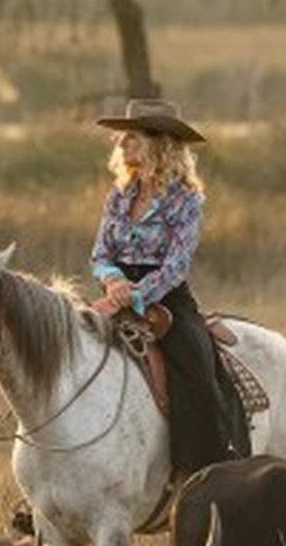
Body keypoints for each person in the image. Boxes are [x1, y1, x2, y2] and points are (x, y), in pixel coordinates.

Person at [91, 97, 236, 481]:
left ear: (160, 144)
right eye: (122, 138)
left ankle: (201, 472)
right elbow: (100, 252)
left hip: (166, 299)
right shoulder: (119, 196)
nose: (122, 143)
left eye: (132, 137)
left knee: (196, 370)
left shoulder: (186, 201)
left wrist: (137, 294)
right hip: (115, 293)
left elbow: (176, 266)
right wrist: (113, 281)